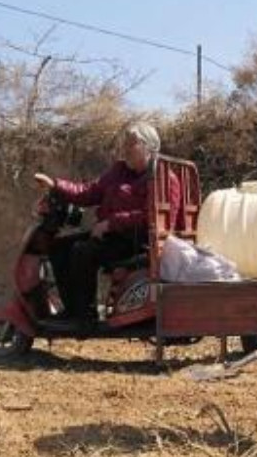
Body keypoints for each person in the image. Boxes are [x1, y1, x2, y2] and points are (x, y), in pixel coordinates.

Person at [34, 121, 180, 327]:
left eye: (132, 144)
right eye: (125, 144)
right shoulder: (119, 171)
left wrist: (112, 223)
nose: (125, 149)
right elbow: (89, 192)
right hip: (113, 236)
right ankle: (73, 310)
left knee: (82, 251)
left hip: (139, 240)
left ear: (149, 147)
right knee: (59, 247)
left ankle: (84, 315)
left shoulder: (165, 178)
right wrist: (55, 185)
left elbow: (154, 218)